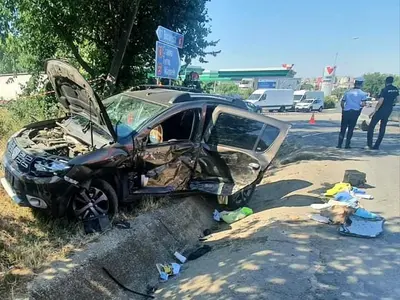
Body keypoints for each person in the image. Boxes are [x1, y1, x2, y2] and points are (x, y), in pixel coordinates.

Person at [367, 76, 400, 150]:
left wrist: (374, 111)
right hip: (389, 109)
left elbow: (380, 101)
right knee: (383, 127)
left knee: (371, 126)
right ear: (392, 81)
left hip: (381, 109)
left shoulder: (384, 89)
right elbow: (398, 99)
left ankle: (369, 144)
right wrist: (392, 103)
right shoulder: (395, 89)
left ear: (386, 81)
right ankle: (377, 145)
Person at [337, 77, 368, 149]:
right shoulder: (363, 94)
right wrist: (360, 106)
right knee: (351, 129)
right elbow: (363, 104)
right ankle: (347, 144)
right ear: (361, 84)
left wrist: (343, 109)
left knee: (343, 129)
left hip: (346, 111)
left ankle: (339, 144)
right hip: (355, 112)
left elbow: (342, 102)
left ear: (355, 83)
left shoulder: (347, 92)